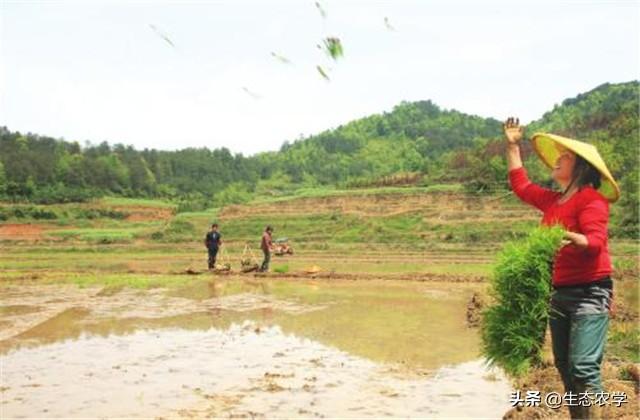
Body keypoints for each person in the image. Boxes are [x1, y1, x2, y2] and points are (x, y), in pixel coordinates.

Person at [503, 117, 619, 419]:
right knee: (565, 368)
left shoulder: (590, 199)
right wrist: (513, 146)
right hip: (560, 293)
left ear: (580, 167)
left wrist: (565, 236)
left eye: (564, 157)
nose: (556, 160)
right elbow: (521, 185)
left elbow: (595, 242)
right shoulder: (554, 202)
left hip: (591, 291)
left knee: (582, 367)